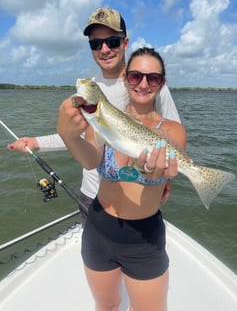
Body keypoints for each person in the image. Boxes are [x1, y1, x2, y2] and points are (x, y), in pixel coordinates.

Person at [7, 7, 181, 226]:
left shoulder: (150, 84)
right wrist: (36, 142)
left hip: (140, 200)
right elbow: (77, 136)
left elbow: (173, 136)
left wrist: (167, 175)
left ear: (125, 43)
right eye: (95, 44)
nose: (105, 49)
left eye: (113, 41)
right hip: (92, 196)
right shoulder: (88, 92)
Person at [57, 47, 186, 311]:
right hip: (98, 228)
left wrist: (156, 173)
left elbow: (165, 171)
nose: (143, 83)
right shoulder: (102, 117)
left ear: (162, 83)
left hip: (144, 238)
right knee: (106, 306)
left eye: (153, 78)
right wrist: (68, 136)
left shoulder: (172, 130)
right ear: (126, 78)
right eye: (136, 75)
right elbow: (91, 160)